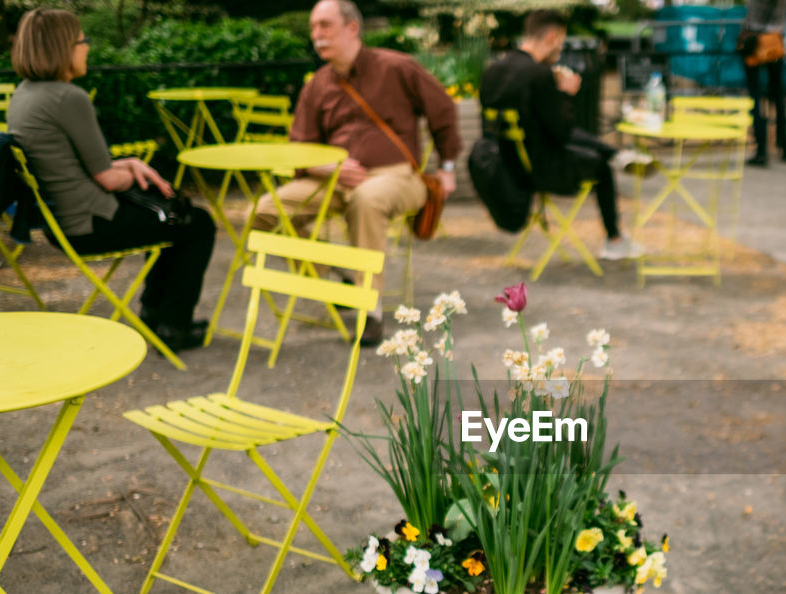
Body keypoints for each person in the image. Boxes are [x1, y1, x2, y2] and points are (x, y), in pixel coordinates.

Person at [253, 0, 460, 345]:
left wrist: (448, 167)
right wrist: (330, 169)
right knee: (262, 212)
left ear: (352, 28)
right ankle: (330, 276)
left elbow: (443, 109)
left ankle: (370, 308)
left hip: (396, 176)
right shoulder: (316, 84)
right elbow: (299, 148)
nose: (316, 35)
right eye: (313, 28)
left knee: (366, 199)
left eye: (324, 25)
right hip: (332, 179)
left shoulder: (398, 67)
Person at [7, 9, 215, 349]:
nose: (86, 47)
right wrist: (130, 171)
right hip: (91, 224)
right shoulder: (68, 97)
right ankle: (172, 324)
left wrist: (130, 163)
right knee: (196, 223)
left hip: (61, 224)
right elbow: (106, 179)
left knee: (171, 219)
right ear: (62, 47)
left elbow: (78, 166)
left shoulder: (24, 95)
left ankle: (155, 312)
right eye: (81, 40)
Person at [480, 9, 643, 261]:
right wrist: (566, 94)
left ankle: (617, 153)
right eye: (562, 42)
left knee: (586, 150)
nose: (561, 49)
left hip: (506, 166)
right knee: (600, 168)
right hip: (541, 171)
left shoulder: (493, 71)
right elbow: (562, 133)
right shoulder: (538, 75)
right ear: (553, 37)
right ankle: (615, 240)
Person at [740, 0, 786, 168]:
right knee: (778, 96)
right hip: (776, 39)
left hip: (756, 40)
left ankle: (761, 150)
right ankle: (784, 146)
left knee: (755, 96)